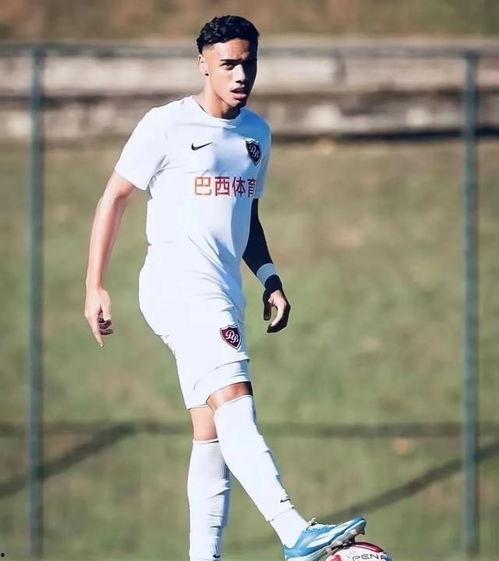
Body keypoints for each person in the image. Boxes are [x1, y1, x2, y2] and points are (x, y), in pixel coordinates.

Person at [84, 14, 366, 561]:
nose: (241, 75)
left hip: (223, 290)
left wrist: (270, 278)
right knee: (236, 401)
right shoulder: (166, 125)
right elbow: (113, 197)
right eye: (228, 64)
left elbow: (246, 217)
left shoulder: (256, 134)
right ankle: (293, 531)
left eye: (248, 63)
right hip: (177, 287)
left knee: (210, 430)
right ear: (203, 65)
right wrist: (94, 285)